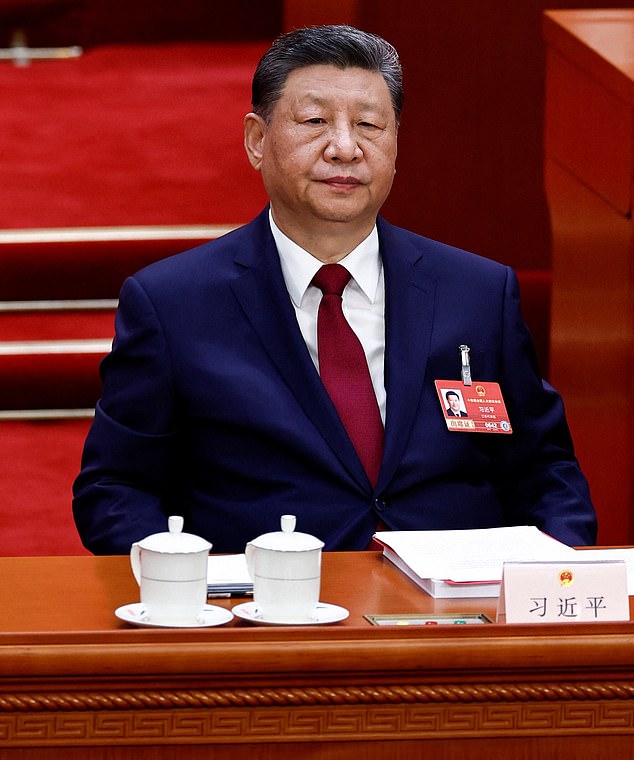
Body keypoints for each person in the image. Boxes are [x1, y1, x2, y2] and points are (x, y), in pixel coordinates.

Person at [73, 24, 597, 554]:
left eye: (370, 125)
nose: (345, 148)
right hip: (266, 618)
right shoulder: (173, 304)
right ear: (257, 140)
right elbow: (115, 488)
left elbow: (545, 471)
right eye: (315, 121)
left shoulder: (479, 292)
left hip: (454, 616)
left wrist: (553, 576)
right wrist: (189, 586)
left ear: (396, 144)